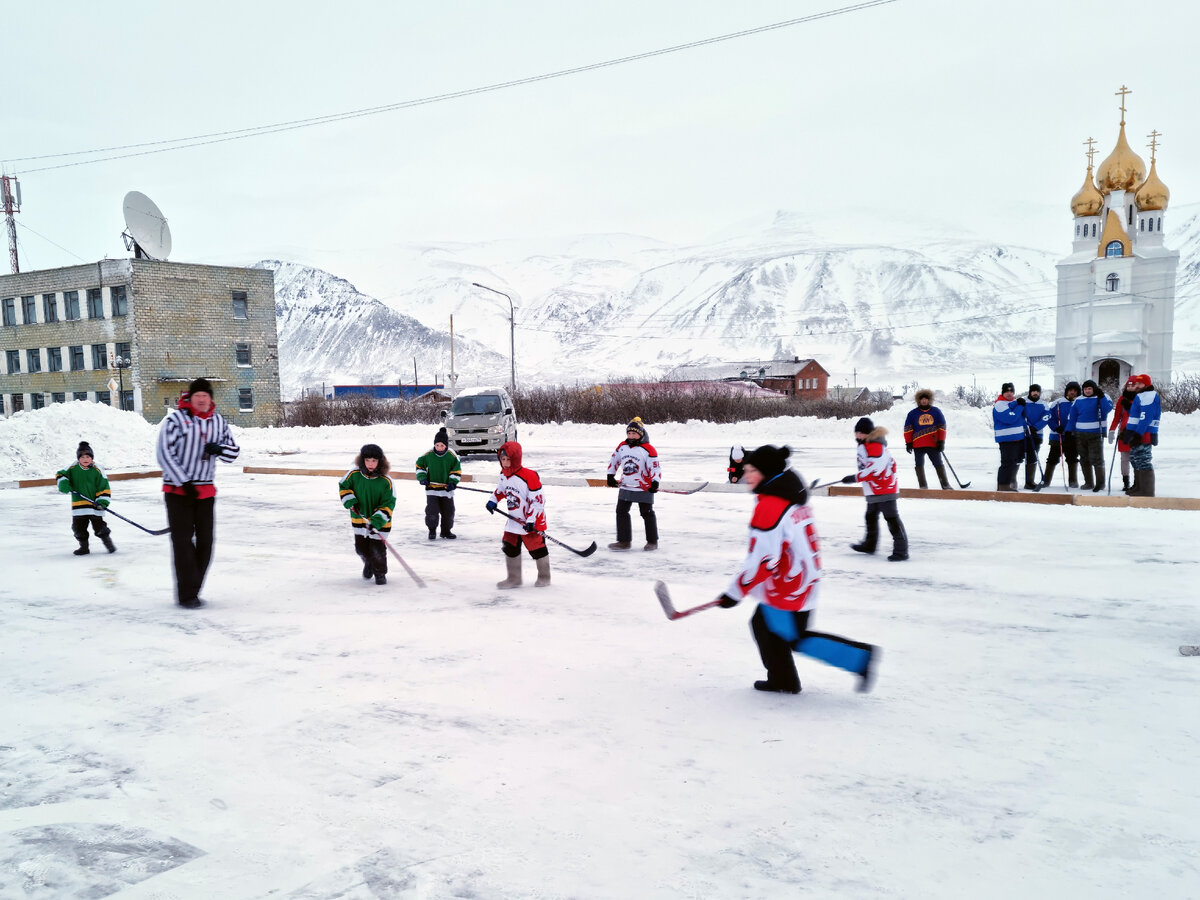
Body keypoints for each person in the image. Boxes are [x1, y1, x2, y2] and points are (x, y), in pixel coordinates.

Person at [716, 445, 878, 694]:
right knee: (775, 630)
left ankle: (850, 660)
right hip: (802, 580)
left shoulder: (771, 506)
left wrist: (734, 593)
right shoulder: (791, 495)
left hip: (789, 585)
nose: (746, 475)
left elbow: (763, 561)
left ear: (766, 473)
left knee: (785, 634)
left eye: (750, 470)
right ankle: (788, 678)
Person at [156, 377, 240, 608]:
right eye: (198, 396)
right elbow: (164, 453)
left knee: (206, 542)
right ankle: (187, 594)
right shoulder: (175, 420)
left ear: (210, 399)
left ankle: (193, 586)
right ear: (190, 398)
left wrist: (220, 449)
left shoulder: (218, 422)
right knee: (182, 542)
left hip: (205, 492)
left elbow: (233, 454)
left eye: (206, 396)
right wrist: (184, 482)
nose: (202, 400)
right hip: (178, 491)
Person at [487, 440, 550, 588]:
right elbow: (501, 490)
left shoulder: (529, 476)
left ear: (516, 459)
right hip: (514, 520)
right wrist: (493, 500)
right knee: (509, 545)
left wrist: (531, 520)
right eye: (503, 459)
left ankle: (544, 577)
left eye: (509, 459)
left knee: (536, 548)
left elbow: (538, 501)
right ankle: (514, 578)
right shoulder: (503, 475)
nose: (506, 463)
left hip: (532, 520)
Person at [843, 417, 908, 561]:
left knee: (891, 518)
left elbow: (875, 469)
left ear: (868, 433)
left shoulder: (875, 445)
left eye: (861, 433)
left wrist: (854, 478)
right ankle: (870, 545)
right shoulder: (866, 444)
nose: (857, 435)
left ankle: (901, 550)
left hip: (885, 488)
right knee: (870, 516)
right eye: (856, 432)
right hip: (874, 489)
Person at [338, 444, 396, 584]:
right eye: (368, 460)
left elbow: (389, 503)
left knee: (377, 550)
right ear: (362, 460)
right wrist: (351, 501)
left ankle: (380, 574)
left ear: (380, 461)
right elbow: (343, 486)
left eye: (374, 461)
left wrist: (376, 520)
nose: (370, 464)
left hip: (380, 522)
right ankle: (368, 562)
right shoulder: (353, 474)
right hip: (359, 519)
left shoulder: (386, 481)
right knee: (361, 548)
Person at [605, 417, 662, 551]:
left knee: (646, 513)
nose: (631, 436)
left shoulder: (648, 449)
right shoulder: (622, 446)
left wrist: (655, 482)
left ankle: (652, 541)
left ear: (641, 434)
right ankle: (624, 541)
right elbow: (614, 460)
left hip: (643, 486)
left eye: (634, 433)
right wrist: (610, 475)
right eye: (629, 433)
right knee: (621, 511)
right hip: (626, 485)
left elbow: (655, 467)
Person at [56, 441, 115, 555]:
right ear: (78, 458)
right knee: (78, 528)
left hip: (95, 505)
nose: (85, 459)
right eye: (82, 457)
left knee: (100, 528)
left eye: (88, 456)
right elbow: (60, 474)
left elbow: (104, 486)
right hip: (79, 505)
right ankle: (84, 548)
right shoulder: (73, 467)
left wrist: (102, 501)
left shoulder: (98, 469)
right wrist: (64, 483)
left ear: (92, 457)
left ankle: (109, 544)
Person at [415, 427, 461, 539]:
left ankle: (446, 531)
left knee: (448, 512)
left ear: (446, 445)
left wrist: (452, 482)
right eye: (437, 445)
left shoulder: (452, 455)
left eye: (442, 445)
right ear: (434, 445)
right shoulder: (428, 455)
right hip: (432, 489)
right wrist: (422, 477)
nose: (439, 448)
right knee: (432, 512)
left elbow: (456, 470)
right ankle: (432, 530)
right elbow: (419, 466)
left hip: (446, 490)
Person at [1068, 379, 1113, 492]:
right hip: (1080, 434)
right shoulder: (1078, 400)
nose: (1087, 391)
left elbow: (1106, 410)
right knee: (1084, 459)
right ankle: (1089, 482)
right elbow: (1072, 417)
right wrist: (1069, 430)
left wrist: (1101, 397)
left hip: (1096, 433)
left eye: (1090, 388)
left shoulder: (1102, 397)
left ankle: (1100, 483)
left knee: (1097, 459)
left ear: (1094, 389)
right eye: (1085, 389)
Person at [902, 388, 951, 490]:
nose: (924, 401)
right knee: (919, 465)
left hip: (933, 444)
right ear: (918, 400)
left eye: (926, 399)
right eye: (922, 399)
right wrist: (908, 443)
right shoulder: (912, 413)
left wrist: (941, 441)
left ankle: (945, 485)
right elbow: (908, 429)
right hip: (918, 444)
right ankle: (923, 486)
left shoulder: (936, 411)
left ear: (929, 400)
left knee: (938, 464)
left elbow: (942, 427)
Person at [1121, 374, 1160, 497]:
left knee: (1143, 460)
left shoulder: (1149, 396)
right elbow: (1136, 415)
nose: (1136, 386)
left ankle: (1146, 491)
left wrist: (1138, 434)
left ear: (1146, 384)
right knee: (1135, 459)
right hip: (1136, 432)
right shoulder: (1141, 395)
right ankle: (1139, 487)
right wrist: (1128, 408)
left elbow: (1145, 417)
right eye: (1135, 384)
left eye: (1139, 384)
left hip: (1143, 433)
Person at [1044, 381, 1081, 488]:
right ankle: (1046, 481)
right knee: (1052, 458)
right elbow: (1049, 417)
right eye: (1070, 390)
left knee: (1072, 458)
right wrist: (1056, 427)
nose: (1072, 393)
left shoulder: (1079, 402)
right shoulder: (1058, 402)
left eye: (1075, 391)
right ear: (1067, 391)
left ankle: (1073, 481)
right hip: (1057, 436)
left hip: (1072, 436)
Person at [992, 382, 1026, 492]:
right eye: (1007, 391)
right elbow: (1010, 418)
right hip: (1006, 439)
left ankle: (1009, 483)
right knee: (1007, 462)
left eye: (1011, 391)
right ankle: (1003, 485)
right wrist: (1020, 406)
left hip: (1017, 438)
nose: (1009, 393)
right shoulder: (999, 404)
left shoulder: (1012, 404)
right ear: (1003, 392)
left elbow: (1020, 418)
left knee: (1013, 461)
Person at [1108, 378, 1139, 492]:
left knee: (1136, 458)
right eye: (1128, 386)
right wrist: (1112, 430)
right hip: (1124, 432)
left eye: (1132, 386)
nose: (1130, 388)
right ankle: (1126, 482)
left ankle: (1137, 482)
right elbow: (1117, 417)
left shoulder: (1140, 398)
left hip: (1137, 432)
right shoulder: (1122, 399)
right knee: (1124, 459)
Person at [1022, 384, 1050, 490]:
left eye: (1037, 391)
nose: (1035, 393)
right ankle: (1010, 481)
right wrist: (1027, 427)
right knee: (1018, 457)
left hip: (1037, 434)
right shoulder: (1023, 402)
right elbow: (1019, 416)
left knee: (1033, 457)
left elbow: (1046, 417)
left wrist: (1035, 427)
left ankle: (1029, 482)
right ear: (1030, 392)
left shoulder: (1043, 404)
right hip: (1024, 433)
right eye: (1033, 391)